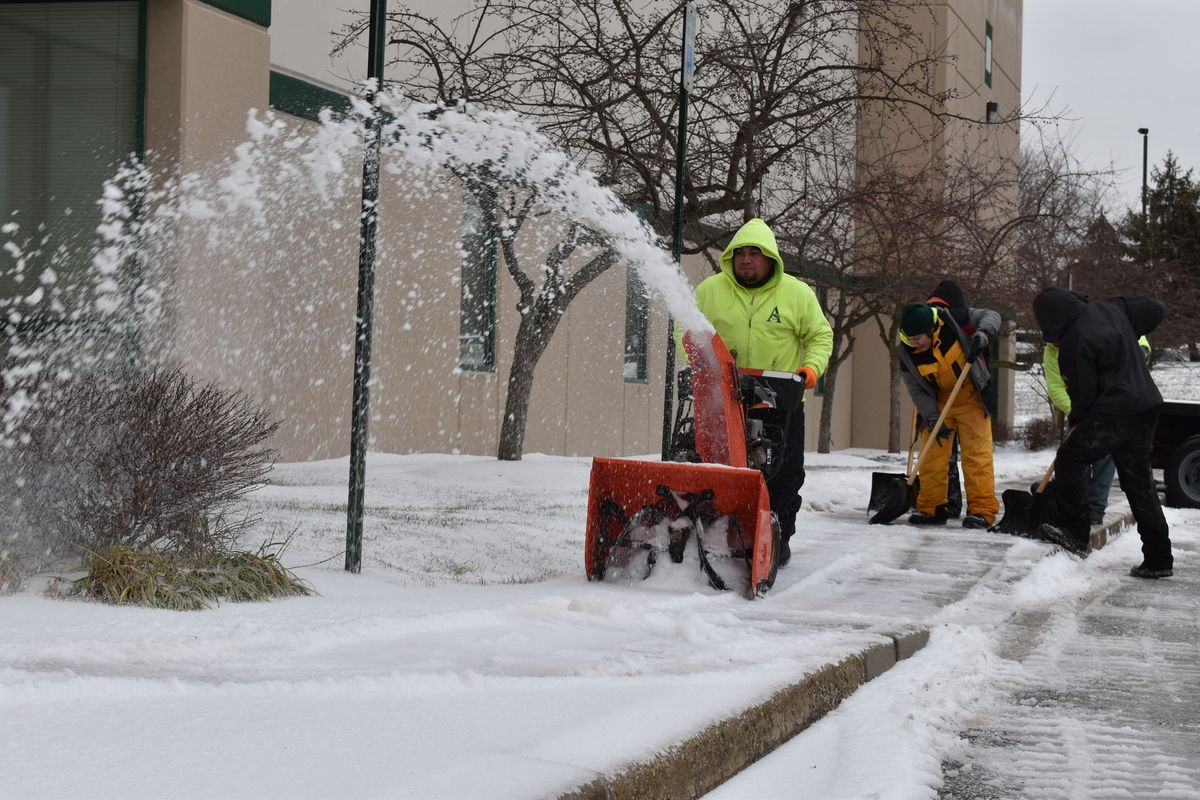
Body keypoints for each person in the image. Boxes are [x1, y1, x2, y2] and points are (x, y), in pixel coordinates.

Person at [692, 218, 833, 566]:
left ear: (770, 258)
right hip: (722, 399)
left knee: (785, 474)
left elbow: (820, 336)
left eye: (755, 253)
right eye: (741, 253)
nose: (747, 260)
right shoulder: (710, 291)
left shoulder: (797, 294)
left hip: (779, 401)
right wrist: (700, 366)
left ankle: (778, 535)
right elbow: (687, 331)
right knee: (712, 467)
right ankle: (711, 531)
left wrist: (809, 369)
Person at [1032, 288, 1173, 578]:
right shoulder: (1112, 308)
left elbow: (1082, 396)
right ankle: (1159, 558)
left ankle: (1075, 532)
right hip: (1146, 408)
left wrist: (1078, 422)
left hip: (1114, 413)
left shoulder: (1074, 341)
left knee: (1070, 458)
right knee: (1139, 485)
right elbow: (1155, 307)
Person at [896, 280, 1000, 528]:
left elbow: (992, 315)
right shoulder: (906, 351)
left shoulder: (954, 319)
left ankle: (982, 510)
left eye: (918, 338)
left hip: (971, 398)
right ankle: (932, 508)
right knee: (931, 455)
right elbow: (916, 388)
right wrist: (931, 414)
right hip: (939, 402)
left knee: (977, 456)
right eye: (909, 338)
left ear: (931, 330)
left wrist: (982, 334)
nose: (914, 343)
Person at [1044, 333, 1152, 525]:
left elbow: (1131, 330)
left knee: (1105, 455)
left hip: (1110, 404)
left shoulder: (1090, 334)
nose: (1055, 343)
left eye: (1058, 339)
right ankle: (1071, 504)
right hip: (1080, 407)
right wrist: (1079, 411)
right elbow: (1055, 388)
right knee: (1072, 457)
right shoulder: (1051, 352)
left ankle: (1094, 507)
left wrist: (1141, 348)